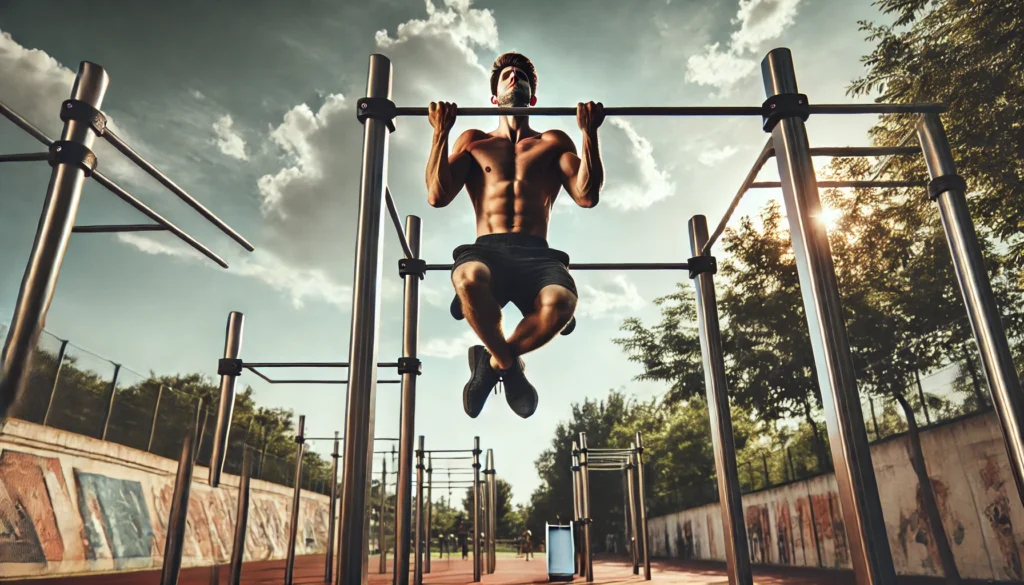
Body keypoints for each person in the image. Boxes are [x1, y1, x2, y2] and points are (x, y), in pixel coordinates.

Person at [426, 52, 605, 419]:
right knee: (467, 276)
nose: (514, 78)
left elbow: (586, 195)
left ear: (532, 97)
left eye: (521, 75)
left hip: (536, 254)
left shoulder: (553, 141)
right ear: (494, 97)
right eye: (507, 74)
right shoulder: (474, 141)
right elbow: (437, 195)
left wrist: (589, 134)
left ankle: (490, 364)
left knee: (561, 303)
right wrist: (440, 133)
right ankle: (510, 369)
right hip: (488, 250)